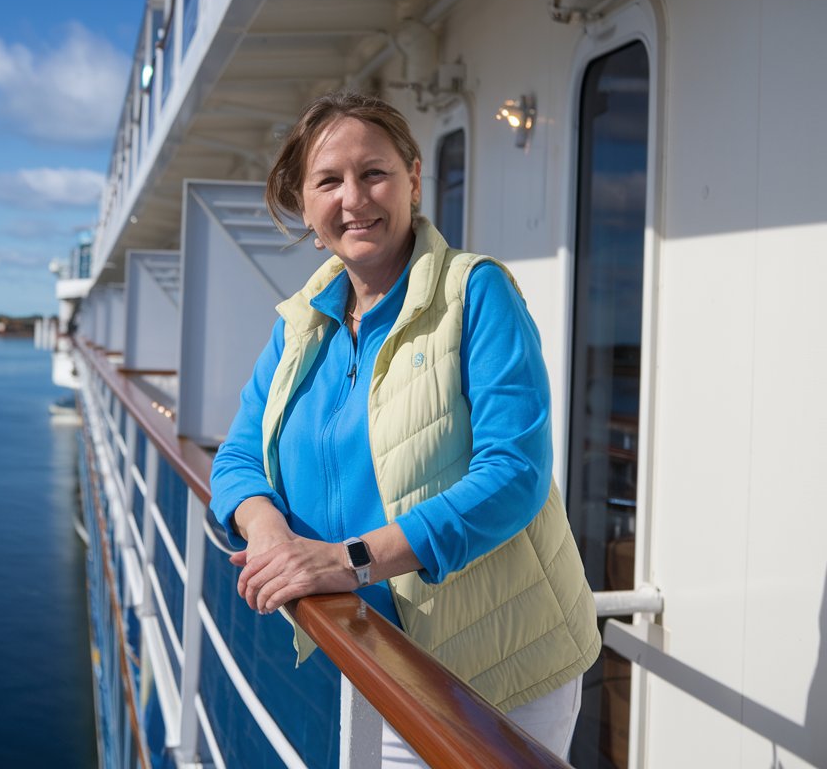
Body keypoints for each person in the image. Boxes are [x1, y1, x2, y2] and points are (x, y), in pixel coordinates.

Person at [208, 91, 600, 763]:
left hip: (500, 664)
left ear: (414, 179)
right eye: (328, 180)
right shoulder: (301, 323)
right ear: (305, 205)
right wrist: (272, 538)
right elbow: (239, 454)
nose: (354, 198)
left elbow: (516, 476)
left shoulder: (475, 293)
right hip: (377, 648)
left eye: (375, 173)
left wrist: (344, 559)